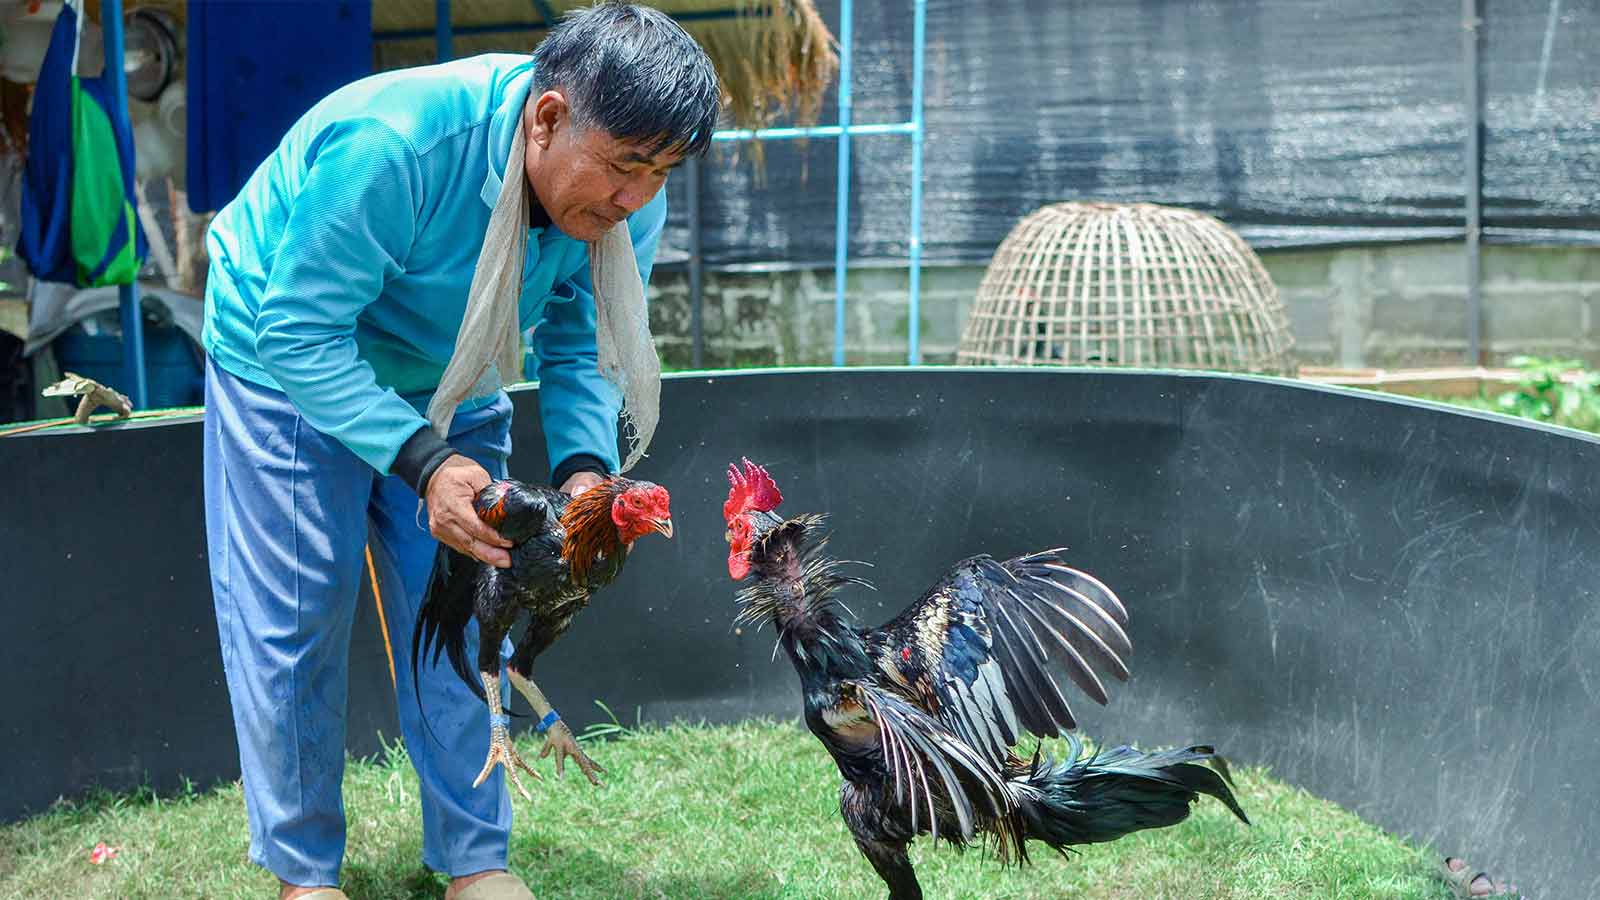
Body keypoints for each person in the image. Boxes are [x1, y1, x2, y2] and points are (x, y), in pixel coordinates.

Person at [198, 4, 721, 898]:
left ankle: (475, 860)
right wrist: (425, 463)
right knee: (292, 621)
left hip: (456, 370)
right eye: (627, 165)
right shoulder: (395, 147)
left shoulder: (627, 200)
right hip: (287, 362)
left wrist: (584, 477)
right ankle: (302, 871)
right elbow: (298, 331)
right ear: (547, 119)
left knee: (470, 616)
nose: (637, 197)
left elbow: (581, 335)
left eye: (662, 171)